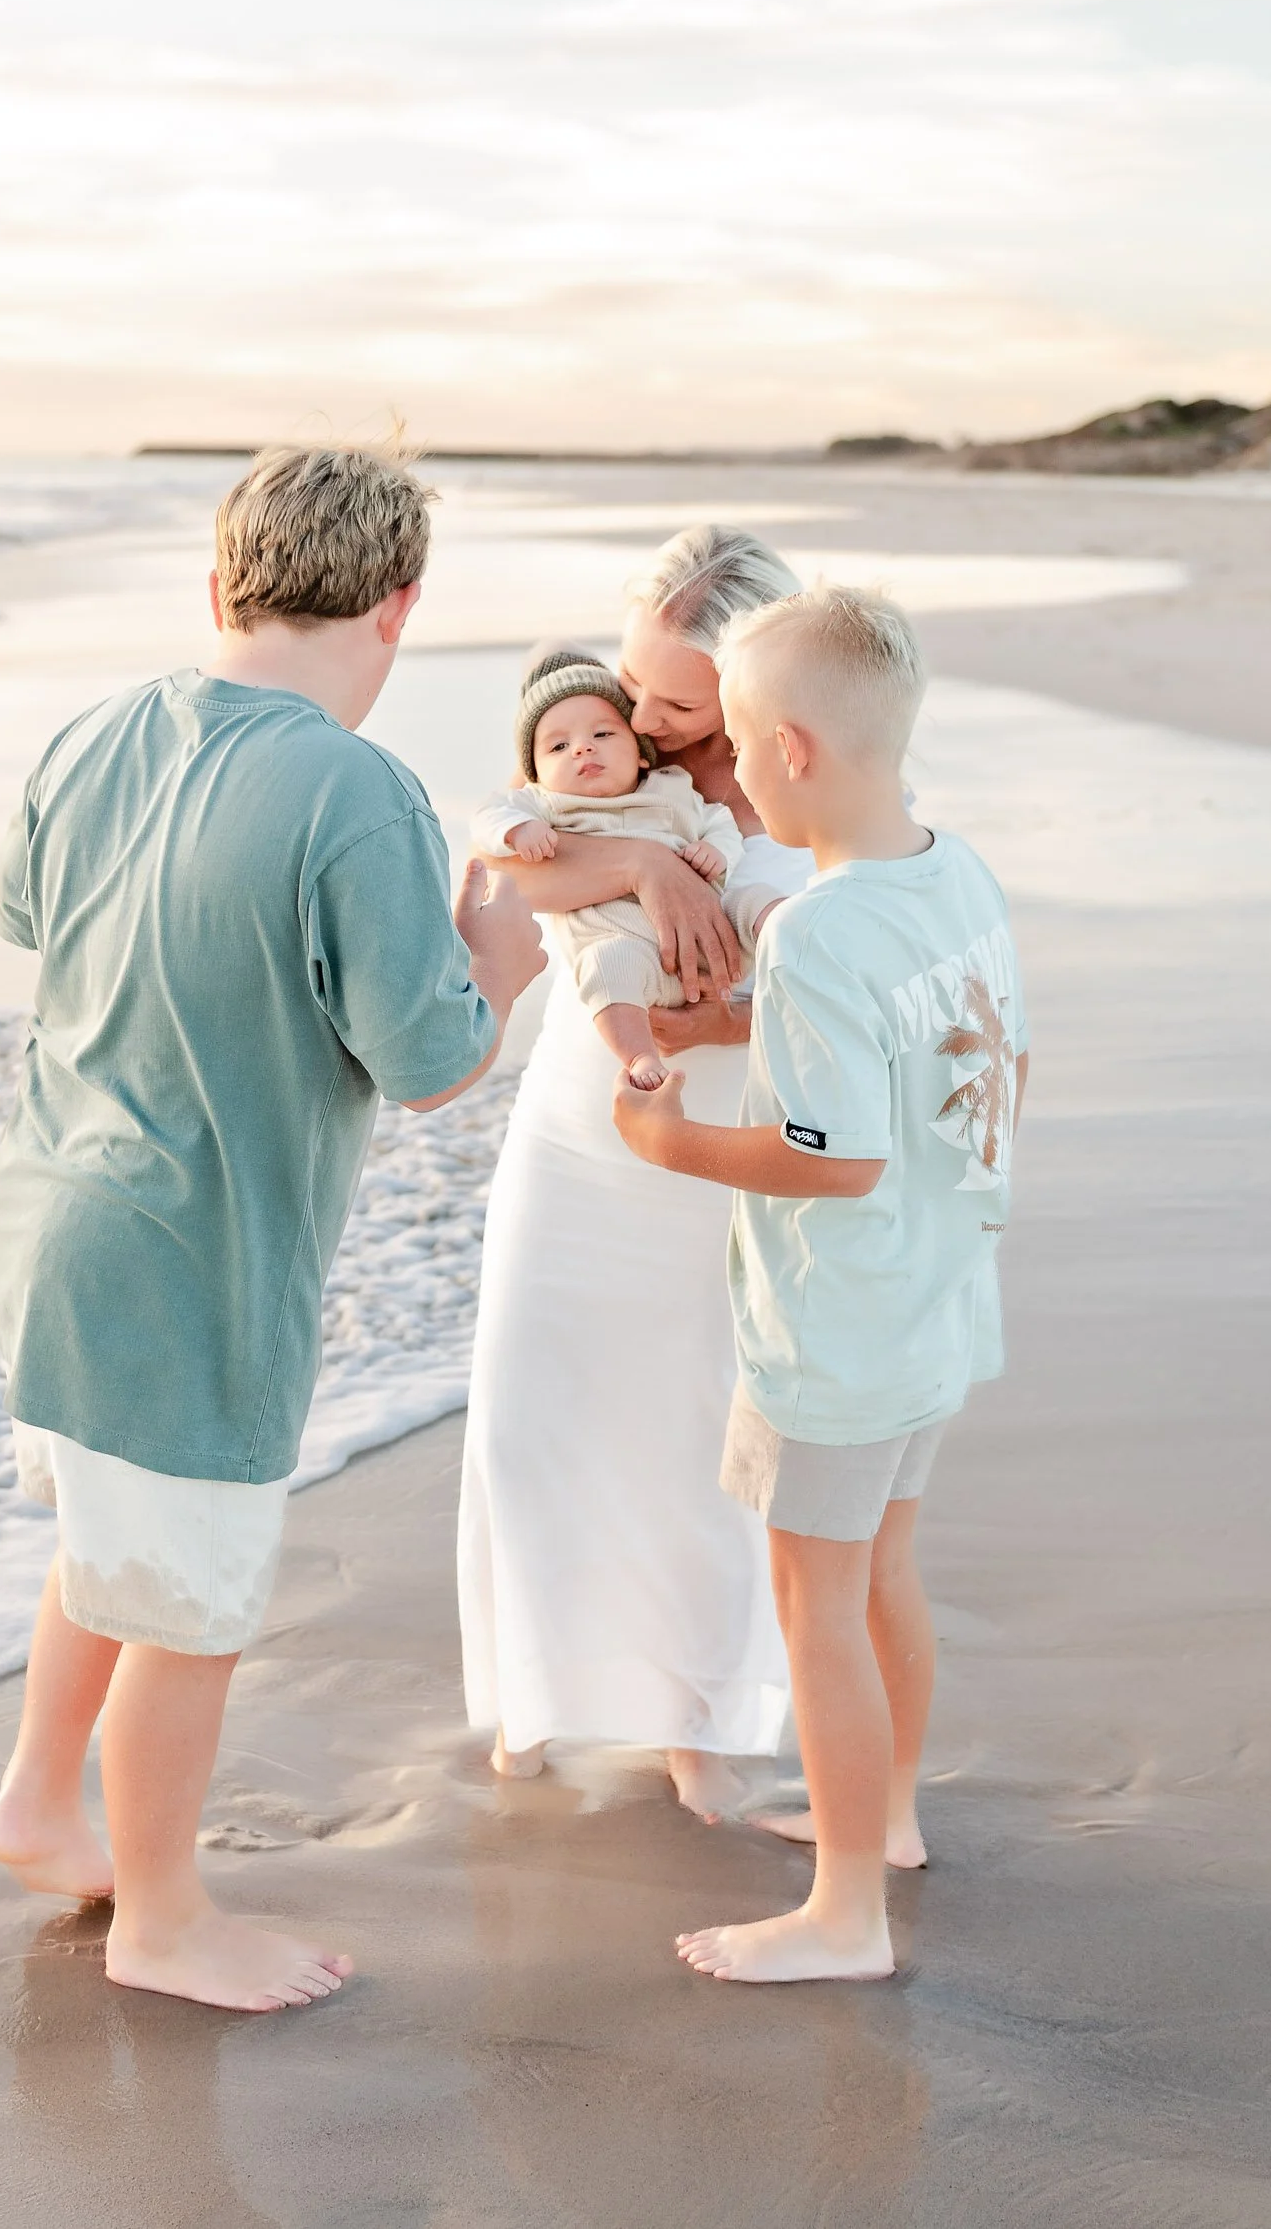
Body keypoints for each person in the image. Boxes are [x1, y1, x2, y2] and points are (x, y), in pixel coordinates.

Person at [0, 442, 545, 2014]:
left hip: (47, 1222)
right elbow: (430, 1063)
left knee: (118, 1544)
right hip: (192, 1256)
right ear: (398, 607)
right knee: (190, 1602)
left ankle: (40, 1798)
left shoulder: (88, 732)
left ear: (220, 580)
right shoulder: (360, 791)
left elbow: (30, 925)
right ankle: (161, 1920)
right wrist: (499, 949)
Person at [612, 585, 1028, 1982]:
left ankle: (844, 1913)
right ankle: (887, 1818)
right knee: (883, 1572)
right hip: (941, 1296)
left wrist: (667, 1137)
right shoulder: (954, 870)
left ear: (788, 749)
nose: (721, 767)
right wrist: (739, 1017)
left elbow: (830, 1159)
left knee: (817, 1610)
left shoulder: (816, 929)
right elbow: (958, 1059)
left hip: (838, 1332)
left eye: (728, 739)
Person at [457, 527, 810, 1819]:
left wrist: (703, 1018)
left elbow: (828, 971)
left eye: (673, 698)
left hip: (718, 1140)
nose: (639, 714)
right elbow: (504, 850)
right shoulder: (603, 759)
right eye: (634, 680)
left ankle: (698, 1718)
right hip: (574, 1120)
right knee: (525, 1411)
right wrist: (647, 863)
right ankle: (531, 1691)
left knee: (697, 1432)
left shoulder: (802, 778)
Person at [468, 649, 779, 1089]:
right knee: (603, 965)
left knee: (756, 900)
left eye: (603, 733)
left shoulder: (671, 788)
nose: (582, 747)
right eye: (558, 747)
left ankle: (790, 935)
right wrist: (518, 830)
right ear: (534, 772)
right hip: (634, 962)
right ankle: (638, 1057)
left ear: (642, 755)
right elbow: (486, 817)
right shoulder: (546, 803)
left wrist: (717, 850)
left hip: (717, 946)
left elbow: (718, 822)